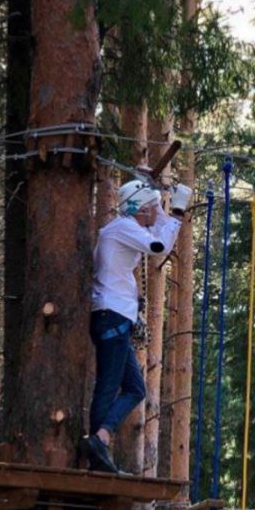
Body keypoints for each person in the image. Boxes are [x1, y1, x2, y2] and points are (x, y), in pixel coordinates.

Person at [79, 178, 192, 473]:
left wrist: (156, 195)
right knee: (108, 384)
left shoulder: (127, 227)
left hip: (115, 315)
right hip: (111, 315)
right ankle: (97, 448)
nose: (158, 210)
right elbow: (160, 245)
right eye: (154, 206)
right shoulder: (123, 228)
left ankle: (100, 438)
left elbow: (156, 231)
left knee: (135, 388)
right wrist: (177, 212)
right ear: (141, 209)